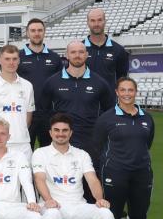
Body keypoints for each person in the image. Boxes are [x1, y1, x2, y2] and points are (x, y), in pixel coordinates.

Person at [33, 113, 116, 219]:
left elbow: (92, 179)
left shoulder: (82, 154)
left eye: (64, 130)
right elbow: (39, 179)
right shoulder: (40, 153)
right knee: (50, 216)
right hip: (53, 206)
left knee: (106, 215)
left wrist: (99, 199)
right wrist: (48, 199)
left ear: (71, 133)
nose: (60, 134)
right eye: (56, 130)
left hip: (78, 206)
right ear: (50, 132)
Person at [94, 77, 158, 219]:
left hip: (141, 173)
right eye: (123, 90)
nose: (127, 93)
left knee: (139, 216)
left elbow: (147, 144)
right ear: (117, 92)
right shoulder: (107, 118)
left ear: (136, 92)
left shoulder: (146, 118)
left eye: (130, 90)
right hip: (114, 173)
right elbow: (97, 146)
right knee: (110, 216)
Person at [38, 41, 116, 169]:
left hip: (90, 142)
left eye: (81, 52)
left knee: (89, 181)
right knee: (62, 181)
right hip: (62, 140)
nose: (77, 55)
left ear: (86, 55)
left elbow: (109, 112)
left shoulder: (100, 83)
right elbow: (43, 112)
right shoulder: (53, 82)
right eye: (73, 52)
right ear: (67, 55)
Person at [0, 45, 35, 157]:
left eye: (14, 59)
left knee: (25, 175)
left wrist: (19, 133)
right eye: (7, 59)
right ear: (0, 60)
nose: (11, 62)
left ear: (19, 60)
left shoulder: (27, 86)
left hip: (22, 144)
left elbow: (28, 116)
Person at [16, 18, 62, 148]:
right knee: (24, 149)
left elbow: (60, 85)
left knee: (48, 151)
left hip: (49, 114)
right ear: (27, 33)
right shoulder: (18, 57)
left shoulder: (55, 58)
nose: (36, 33)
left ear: (44, 32)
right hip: (25, 113)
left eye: (40, 30)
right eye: (33, 30)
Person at [84, 8, 130, 88]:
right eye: (92, 20)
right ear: (87, 23)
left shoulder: (118, 50)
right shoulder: (79, 50)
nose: (96, 24)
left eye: (99, 20)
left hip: (109, 100)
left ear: (105, 21)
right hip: (84, 100)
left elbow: (122, 81)